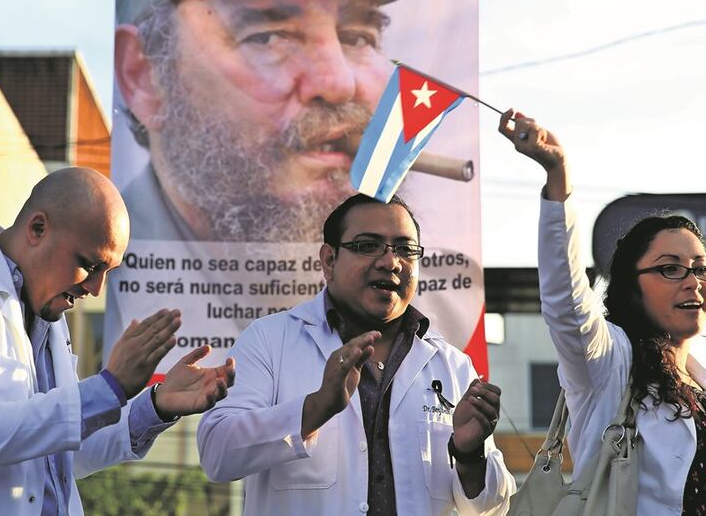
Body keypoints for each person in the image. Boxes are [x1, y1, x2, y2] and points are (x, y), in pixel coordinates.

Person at [0, 167, 235, 515]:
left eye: (107, 272)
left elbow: (59, 448)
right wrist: (108, 387)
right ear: (37, 228)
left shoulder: (48, 316)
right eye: (91, 265)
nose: (95, 288)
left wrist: (154, 408)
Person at [115, 0, 431, 242]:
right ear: (144, 76)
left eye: (357, 37)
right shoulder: (94, 271)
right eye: (267, 37)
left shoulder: (421, 285)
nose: (339, 83)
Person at [498, 110, 706, 515]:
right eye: (670, 268)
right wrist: (558, 180)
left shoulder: (703, 387)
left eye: (700, 268)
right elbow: (564, 301)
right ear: (631, 288)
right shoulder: (608, 364)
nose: (692, 281)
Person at [196, 193, 514, 515]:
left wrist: (469, 454)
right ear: (329, 261)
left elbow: (492, 508)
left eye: (405, 249)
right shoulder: (269, 339)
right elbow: (217, 453)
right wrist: (316, 408)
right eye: (367, 246)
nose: (390, 262)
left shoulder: (453, 365)